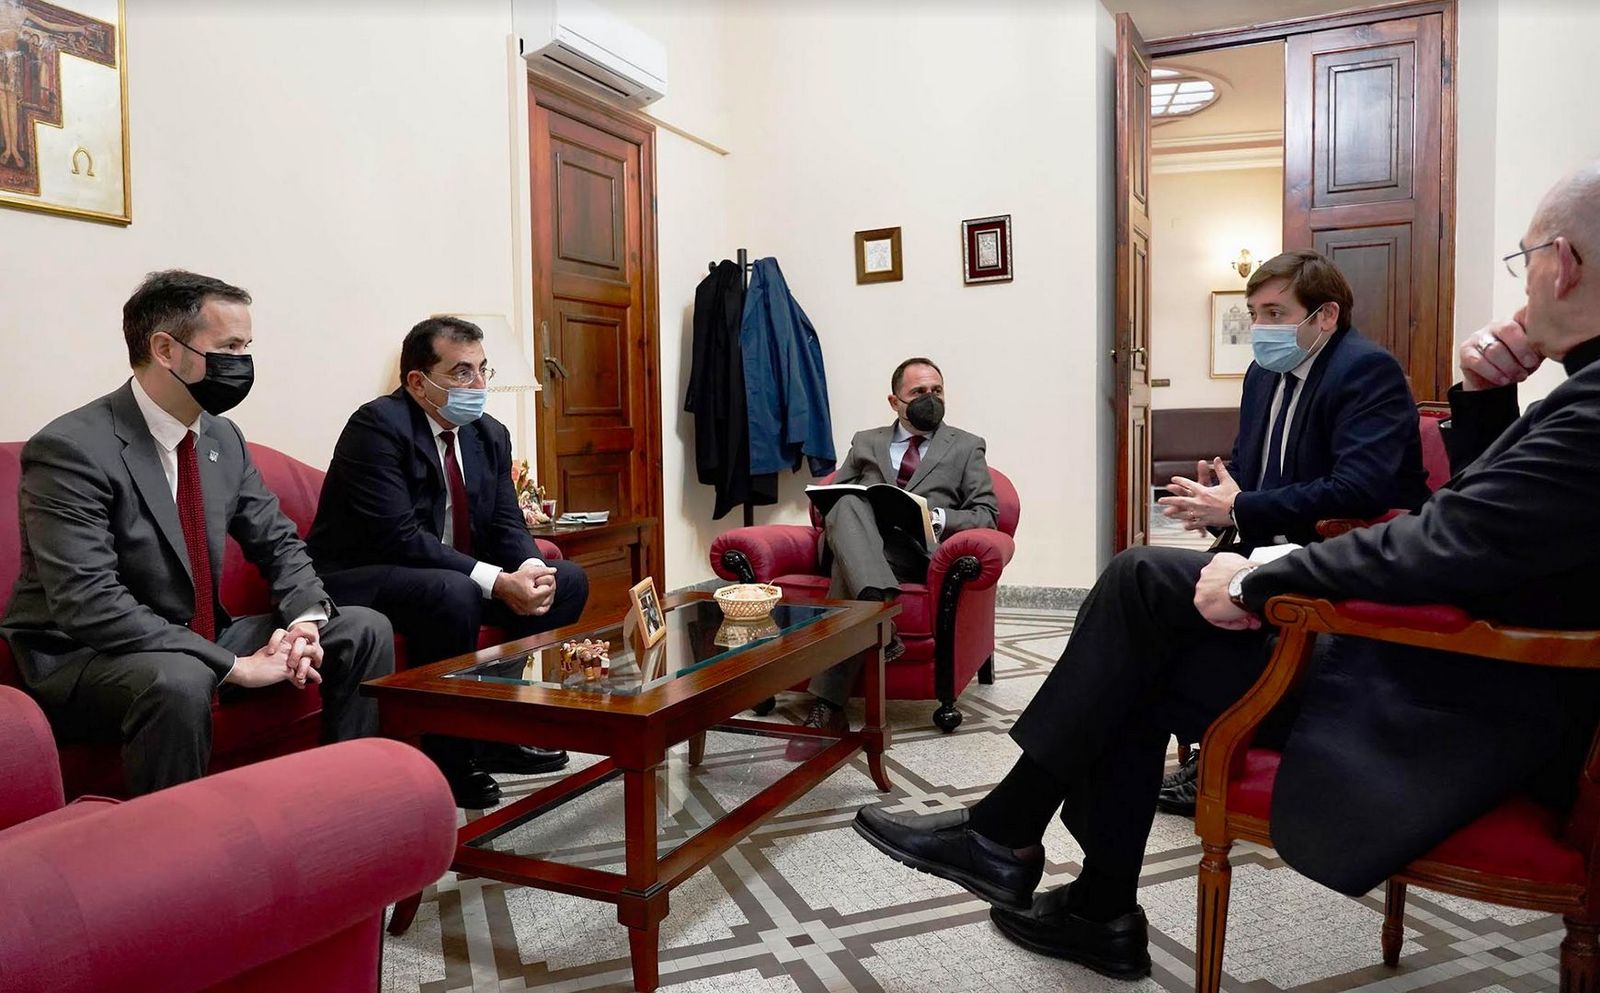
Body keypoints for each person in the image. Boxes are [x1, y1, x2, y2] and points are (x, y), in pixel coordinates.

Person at [850, 162, 1600, 981]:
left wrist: (1258, 576)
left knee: (1138, 585)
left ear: (1561, 262)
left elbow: (1435, 537)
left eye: (1525, 256)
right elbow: (1492, 521)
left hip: (1440, 700)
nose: (1523, 280)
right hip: (1433, 664)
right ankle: (1089, 901)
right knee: (1136, 656)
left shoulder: (1586, 410)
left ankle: (1008, 836)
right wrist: (1486, 400)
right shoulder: (1578, 397)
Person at [0, 270, 393, 797]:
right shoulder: (71, 449)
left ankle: (353, 801)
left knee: (362, 628)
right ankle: (174, 851)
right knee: (180, 680)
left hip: (195, 633)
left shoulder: (221, 436)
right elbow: (88, 603)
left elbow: (277, 542)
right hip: (89, 654)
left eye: (247, 347)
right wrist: (234, 666)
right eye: (229, 347)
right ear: (166, 349)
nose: (243, 364)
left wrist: (303, 623)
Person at [1154, 250, 1431, 814]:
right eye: (1254, 312)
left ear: (1324, 316)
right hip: (1266, 538)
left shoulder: (1365, 370)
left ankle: (1234, 746)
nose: (1261, 327)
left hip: (1340, 548)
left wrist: (1241, 508)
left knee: (1146, 580)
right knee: (1152, 599)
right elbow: (1252, 466)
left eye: (1276, 313)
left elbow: (1358, 491)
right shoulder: (1263, 374)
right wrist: (1219, 495)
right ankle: (1204, 741)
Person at [307, 316, 589, 808]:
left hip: (444, 573)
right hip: (362, 575)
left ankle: (495, 733)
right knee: (454, 591)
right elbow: (399, 537)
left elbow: (504, 521)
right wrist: (494, 581)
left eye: (484, 370)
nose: (478, 386)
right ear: (418, 381)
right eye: (462, 373)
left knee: (565, 580)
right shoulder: (377, 427)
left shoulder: (488, 435)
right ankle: (449, 755)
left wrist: (527, 570)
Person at [791, 357, 997, 752]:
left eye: (936, 391)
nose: (930, 399)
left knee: (847, 572)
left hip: (913, 550)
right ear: (894, 400)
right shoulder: (865, 440)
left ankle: (826, 703)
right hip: (856, 539)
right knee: (849, 505)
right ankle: (881, 612)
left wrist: (936, 517)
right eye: (919, 392)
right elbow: (830, 507)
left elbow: (986, 513)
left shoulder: (967, 446)